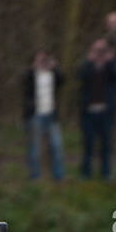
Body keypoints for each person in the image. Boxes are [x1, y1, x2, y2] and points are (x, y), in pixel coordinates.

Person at [78, 38, 116, 179]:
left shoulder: (111, 66)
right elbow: (79, 76)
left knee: (106, 144)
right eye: (96, 50)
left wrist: (110, 60)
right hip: (89, 111)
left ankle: (106, 173)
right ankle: (86, 173)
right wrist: (89, 60)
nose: (99, 53)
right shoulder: (88, 66)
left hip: (106, 111)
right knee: (88, 144)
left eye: (102, 50)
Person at [22, 50, 66, 180]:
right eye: (40, 60)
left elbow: (63, 80)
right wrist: (34, 68)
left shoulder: (52, 74)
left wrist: (55, 67)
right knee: (34, 149)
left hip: (51, 115)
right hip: (35, 115)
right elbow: (24, 80)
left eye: (44, 59)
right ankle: (35, 176)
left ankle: (58, 176)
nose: (42, 63)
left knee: (57, 146)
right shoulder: (30, 75)